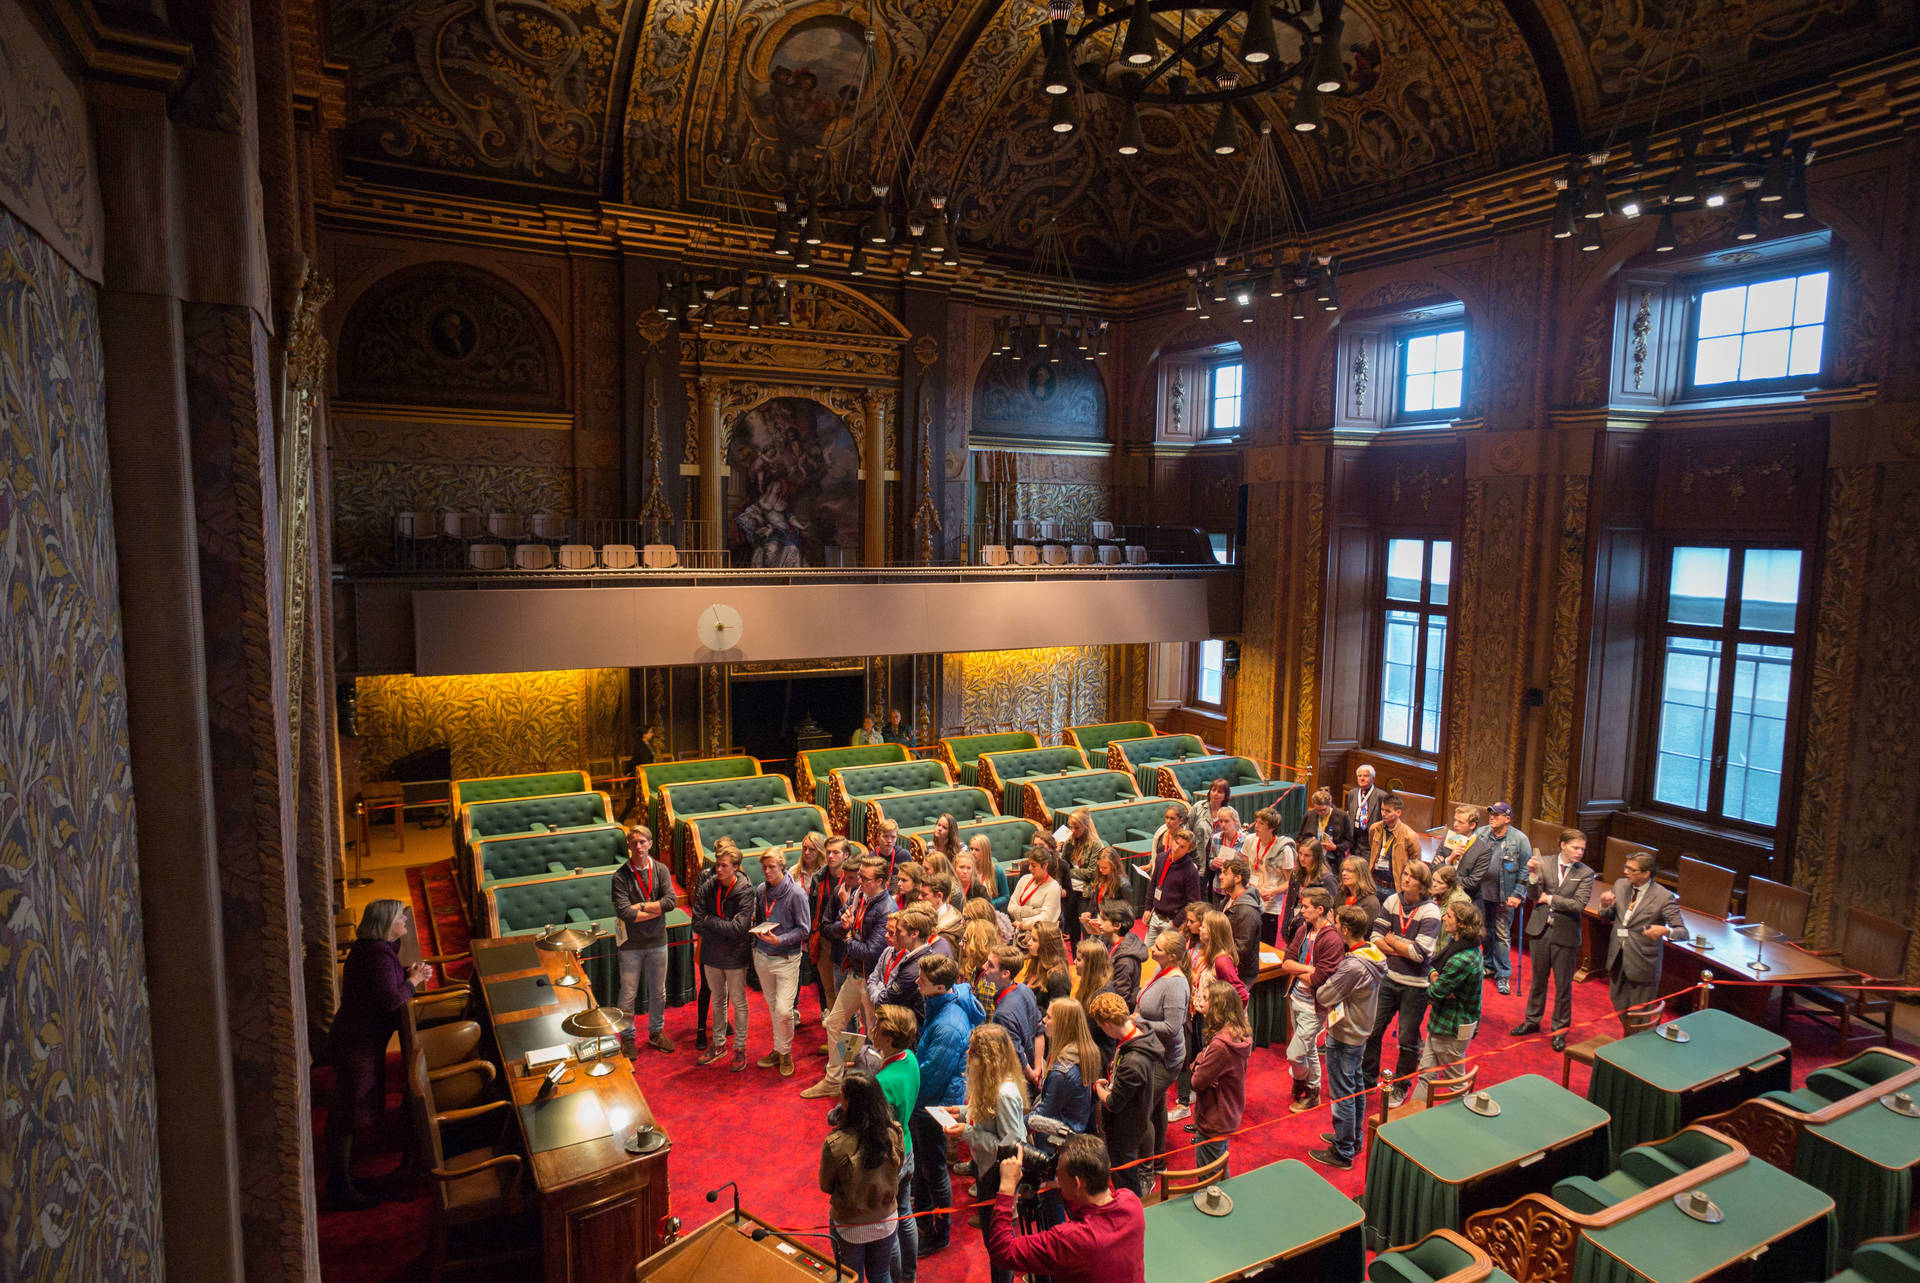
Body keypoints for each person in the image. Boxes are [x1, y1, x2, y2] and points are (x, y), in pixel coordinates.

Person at [326, 899, 432, 1209]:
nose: (405, 922)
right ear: (386, 924)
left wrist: (407, 972)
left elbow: (384, 980)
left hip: (357, 1040)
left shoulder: (375, 949)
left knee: (350, 1109)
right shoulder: (375, 954)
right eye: (401, 918)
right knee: (348, 1113)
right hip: (356, 1043)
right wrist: (413, 981)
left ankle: (346, 1180)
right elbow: (390, 999)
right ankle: (341, 1189)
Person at [987, 1133, 1146, 1283]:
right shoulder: (1131, 1202)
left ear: (1077, 1183)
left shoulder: (1070, 1239)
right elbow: (1090, 1213)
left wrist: (1007, 1187)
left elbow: (1002, 1252)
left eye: (1059, 1174)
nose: (1056, 1177)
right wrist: (1065, 1188)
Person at [910, 954, 985, 1256]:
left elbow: (930, 1076)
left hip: (934, 1105)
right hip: (930, 1100)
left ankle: (939, 1234)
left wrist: (910, 1095)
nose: (917, 981)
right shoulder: (940, 1004)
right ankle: (923, 1218)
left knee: (933, 1167)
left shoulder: (949, 1025)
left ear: (940, 987)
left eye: (923, 980)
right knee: (924, 1165)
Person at [804, 856, 895, 1099]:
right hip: (856, 975)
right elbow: (836, 925)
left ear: (880, 881)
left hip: (873, 981)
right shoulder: (859, 895)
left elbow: (870, 951)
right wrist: (845, 926)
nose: (859, 881)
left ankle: (873, 1089)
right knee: (835, 1023)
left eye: (865, 878)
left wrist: (847, 936)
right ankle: (834, 1079)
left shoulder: (887, 909)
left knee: (875, 1037)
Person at [1307, 906, 1386, 1171]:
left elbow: (1324, 995)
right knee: (1355, 1086)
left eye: (1336, 922)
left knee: (1342, 1093)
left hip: (1345, 1032)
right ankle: (1353, 1138)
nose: (1333, 925)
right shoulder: (1373, 952)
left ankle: (1343, 1152)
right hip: (1360, 1029)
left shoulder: (1352, 965)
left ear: (1345, 930)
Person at [954, 1024, 1030, 1283]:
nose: (968, 1053)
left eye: (974, 1049)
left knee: (998, 1247)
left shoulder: (1005, 1093)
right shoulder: (990, 1080)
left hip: (998, 1177)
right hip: (984, 1167)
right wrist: (961, 1113)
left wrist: (966, 1133)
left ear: (988, 1056)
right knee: (992, 1243)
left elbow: (1010, 1146)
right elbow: (986, 1115)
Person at [1510, 829, 1596, 1052]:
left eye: (1582, 849)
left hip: (1565, 935)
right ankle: (1532, 1021)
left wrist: (1550, 898)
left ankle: (1560, 1031)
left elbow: (1578, 905)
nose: (1579, 852)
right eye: (1575, 848)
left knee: (1563, 986)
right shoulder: (1544, 863)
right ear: (1562, 845)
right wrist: (1532, 876)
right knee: (1538, 981)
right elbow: (1532, 895)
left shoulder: (1586, 873)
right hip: (1541, 930)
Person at [1364, 861, 1442, 1108]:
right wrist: (1402, 946)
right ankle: (1367, 1078)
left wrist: (1392, 941)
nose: (1406, 879)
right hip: (1389, 979)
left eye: (1412, 877)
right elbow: (1375, 938)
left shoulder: (1430, 912)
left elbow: (1419, 954)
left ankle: (1400, 1085)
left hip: (1415, 986)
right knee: (1373, 1030)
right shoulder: (1392, 901)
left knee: (1408, 1041)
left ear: (1423, 884)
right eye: (1405, 873)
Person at [819, 1071, 906, 1283]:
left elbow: (825, 1185)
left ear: (849, 1102)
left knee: (851, 1277)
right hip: (886, 1220)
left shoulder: (836, 1144)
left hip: (850, 1226)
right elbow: (898, 1169)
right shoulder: (894, 1132)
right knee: (881, 1274)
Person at [1085, 992, 1165, 1202]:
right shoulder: (1139, 1033)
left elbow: (1113, 1103)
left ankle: (1133, 1210)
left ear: (1108, 1025)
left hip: (1125, 1128)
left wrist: (1099, 1089)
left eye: (1101, 1026)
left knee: (1125, 1177)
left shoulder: (1133, 1062)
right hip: (1134, 1116)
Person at [1596, 853, 1687, 1030]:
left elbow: (1683, 932)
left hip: (1643, 962)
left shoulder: (1664, 897)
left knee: (1640, 1015)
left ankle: (1635, 1042)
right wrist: (1605, 905)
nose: (1625, 872)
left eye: (1632, 869)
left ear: (1646, 874)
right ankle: (1630, 1035)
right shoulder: (1620, 885)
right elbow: (1607, 918)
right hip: (1618, 957)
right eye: (1626, 867)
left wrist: (1665, 931)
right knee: (1619, 1003)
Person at [611, 824, 678, 1053]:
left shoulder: (661, 870)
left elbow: (671, 902)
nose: (639, 846)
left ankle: (656, 1033)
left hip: (658, 941)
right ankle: (627, 1037)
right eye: (634, 843)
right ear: (629, 846)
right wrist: (655, 910)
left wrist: (640, 906)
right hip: (630, 945)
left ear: (650, 844)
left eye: (643, 842)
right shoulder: (620, 876)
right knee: (628, 994)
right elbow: (624, 913)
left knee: (658, 992)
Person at [869, 1004, 922, 1282]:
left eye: (877, 1029)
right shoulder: (910, 1058)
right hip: (907, 1148)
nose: (872, 1031)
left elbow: (870, 1128)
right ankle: (909, 1276)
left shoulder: (881, 1083)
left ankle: (897, 1276)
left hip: (889, 1160)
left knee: (888, 1228)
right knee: (905, 1215)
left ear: (889, 1039)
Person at [693, 845, 757, 1070]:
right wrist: (722, 926)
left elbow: (739, 928)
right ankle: (719, 1044)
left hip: (735, 954)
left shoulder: (745, 890)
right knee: (718, 999)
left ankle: (740, 1048)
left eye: (723, 866)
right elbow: (696, 922)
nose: (718, 870)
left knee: (738, 1001)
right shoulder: (708, 886)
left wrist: (711, 921)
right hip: (711, 953)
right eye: (717, 865)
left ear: (736, 867)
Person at [1279, 886, 1343, 1112]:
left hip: (1314, 1006)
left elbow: (1318, 978)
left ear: (1320, 909)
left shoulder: (1332, 939)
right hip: (1296, 998)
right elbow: (1286, 962)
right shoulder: (1303, 929)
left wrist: (1300, 970)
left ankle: (1301, 1081)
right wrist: (1306, 969)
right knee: (1309, 1049)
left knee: (1294, 1054)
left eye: (1306, 907)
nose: (1301, 910)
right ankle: (1313, 1091)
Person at [752, 849, 812, 1076]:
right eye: (764, 868)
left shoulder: (796, 893)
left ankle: (786, 1053)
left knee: (784, 1010)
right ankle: (778, 1050)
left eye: (772, 867)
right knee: (773, 1007)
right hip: (762, 956)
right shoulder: (761, 890)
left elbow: (804, 930)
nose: (767, 872)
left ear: (782, 866)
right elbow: (761, 919)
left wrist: (780, 940)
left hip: (787, 959)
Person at [1133, 930, 1190, 1159]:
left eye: (1158, 948)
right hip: (1153, 1050)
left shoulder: (1175, 985)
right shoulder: (1161, 969)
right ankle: (1157, 1153)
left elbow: (1171, 1027)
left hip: (1165, 1059)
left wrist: (1140, 1022)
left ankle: (1148, 1163)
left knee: (1141, 1112)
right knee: (1156, 1107)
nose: (1152, 950)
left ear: (1173, 956)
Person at [1189, 980, 1252, 1175]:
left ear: (1219, 1006)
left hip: (1214, 1118)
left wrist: (1198, 1064)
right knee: (1219, 1164)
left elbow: (1196, 1082)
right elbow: (1206, 1059)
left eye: (1206, 999)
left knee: (1209, 1178)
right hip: (1227, 1111)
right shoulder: (1237, 1031)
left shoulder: (1220, 1046)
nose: (1201, 1002)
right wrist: (1204, 1062)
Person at [1421, 900, 1485, 1088]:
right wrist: (1435, 976)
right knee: (1425, 1077)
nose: (1443, 918)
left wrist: (1435, 982)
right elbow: (1433, 967)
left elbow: (1434, 993)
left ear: (1462, 924)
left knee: (1456, 1084)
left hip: (1451, 1029)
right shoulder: (1461, 946)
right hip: (1441, 1025)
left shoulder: (1461, 959)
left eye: (1449, 916)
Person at [1474, 803, 1533, 994]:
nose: (1491, 817)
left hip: (1505, 896)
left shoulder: (1520, 840)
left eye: (1497, 815)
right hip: (1482, 893)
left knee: (1502, 935)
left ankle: (1503, 975)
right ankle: (1488, 965)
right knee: (1484, 931)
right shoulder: (1481, 833)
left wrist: (1518, 894)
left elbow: (1525, 869)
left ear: (1507, 819)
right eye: (1490, 814)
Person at [1032, 997, 1099, 1138]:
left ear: (1063, 1024)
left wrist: (1016, 1127)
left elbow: (1043, 1114)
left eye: (1049, 1017)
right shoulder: (1084, 1053)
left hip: (1054, 1140)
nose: (1044, 1020)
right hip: (1073, 1133)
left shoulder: (1061, 1072)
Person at [809, 838, 853, 1014]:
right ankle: (836, 1027)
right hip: (824, 938)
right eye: (828, 852)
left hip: (846, 941)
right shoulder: (819, 877)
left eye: (835, 852)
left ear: (846, 855)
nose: (830, 856)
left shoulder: (853, 878)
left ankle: (850, 1027)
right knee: (829, 989)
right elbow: (812, 909)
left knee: (847, 992)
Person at [982, 944, 1041, 1066]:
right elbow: (1040, 1031)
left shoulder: (1002, 1014)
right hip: (1034, 1061)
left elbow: (1017, 1055)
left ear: (1005, 974)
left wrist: (1032, 1074)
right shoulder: (1025, 989)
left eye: (990, 965)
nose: (984, 966)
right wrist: (1038, 1066)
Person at [1145, 827, 1206, 941]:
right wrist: (1148, 908)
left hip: (1172, 921)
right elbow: (1153, 884)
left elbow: (1193, 902)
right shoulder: (1161, 858)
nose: (1177, 847)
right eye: (1176, 842)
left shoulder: (1190, 871)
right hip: (1155, 916)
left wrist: (1176, 923)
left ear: (1188, 850)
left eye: (1182, 847)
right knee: (1147, 951)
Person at [1247, 807, 1295, 945]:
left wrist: (1272, 892)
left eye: (1261, 823)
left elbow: (1291, 882)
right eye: (1256, 822)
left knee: (1266, 945)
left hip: (1269, 905)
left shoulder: (1284, 850)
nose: (1256, 826)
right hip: (1250, 898)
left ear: (1272, 828)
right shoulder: (1250, 840)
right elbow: (1245, 867)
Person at [1085, 900, 1147, 1007]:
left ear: (1117, 925)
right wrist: (1093, 932)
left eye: (1103, 919)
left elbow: (1120, 1000)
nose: (1098, 922)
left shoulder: (1125, 962)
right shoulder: (1107, 938)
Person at [1366, 792, 1425, 897]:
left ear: (1398, 812)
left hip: (1395, 888)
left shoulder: (1409, 836)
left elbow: (1416, 864)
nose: (1383, 814)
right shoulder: (1375, 828)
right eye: (1382, 810)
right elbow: (1372, 847)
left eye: (1388, 811)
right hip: (1374, 883)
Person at [1218, 857, 1263, 984]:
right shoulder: (1228, 900)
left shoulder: (1248, 911)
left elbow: (1242, 949)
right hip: (1227, 966)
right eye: (1221, 872)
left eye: (1225, 873)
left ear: (1238, 878)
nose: (1220, 877)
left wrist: (1216, 952)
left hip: (1240, 975)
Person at [1285, 838, 1340, 939]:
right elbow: (1290, 902)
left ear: (1316, 857)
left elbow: (1331, 909)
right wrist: (1285, 926)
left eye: (1307, 855)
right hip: (1294, 924)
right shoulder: (1296, 874)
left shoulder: (1327, 879)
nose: (1302, 858)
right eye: (1300, 854)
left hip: (1313, 931)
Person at [1061, 809, 1102, 944]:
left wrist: (1070, 871)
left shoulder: (1095, 844)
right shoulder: (1069, 842)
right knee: (1073, 933)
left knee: (1088, 933)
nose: (1073, 831)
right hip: (1071, 892)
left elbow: (1091, 873)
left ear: (1086, 826)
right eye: (1071, 827)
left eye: (1077, 828)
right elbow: (1063, 866)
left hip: (1086, 894)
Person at [1008, 846, 1063, 937]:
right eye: (1029, 864)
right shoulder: (1024, 879)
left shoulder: (1053, 887)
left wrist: (1022, 924)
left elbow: (1046, 918)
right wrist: (1034, 912)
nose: (1029, 868)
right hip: (1019, 934)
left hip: (1042, 937)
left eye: (1033, 865)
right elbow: (1010, 907)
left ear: (1045, 865)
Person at [1018, 919, 1075, 1000]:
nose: (1028, 943)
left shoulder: (1058, 979)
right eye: (1030, 938)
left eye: (1034, 940)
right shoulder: (1036, 963)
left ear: (1047, 946)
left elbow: (1058, 1008)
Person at [1295, 787, 1355, 863]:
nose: (1321, 813)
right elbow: (1300, 837)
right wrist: (1309, 841)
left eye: (1324, 810)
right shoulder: (1309, 815)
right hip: (1311, 858)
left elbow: (1349, 841)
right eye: (1318, 810)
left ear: (1330, 804)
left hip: (1333, 859)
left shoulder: (1342, 816)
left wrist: (1335, 847)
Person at [1336, 855, 1382, 927]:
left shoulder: (1371, 903)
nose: (1343, 873)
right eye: (1343, 870)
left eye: (1349, 870)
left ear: (1361, 874)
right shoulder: (1340, 895)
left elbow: (1362, 930)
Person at [1347, 763, 1385, 837]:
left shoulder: (1381, 796)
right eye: (1359, 776)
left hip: (1371, 836)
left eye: (1365, 776)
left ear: (1373, 779)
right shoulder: (1352, 793)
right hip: (1354, 835)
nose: (1362, 778)